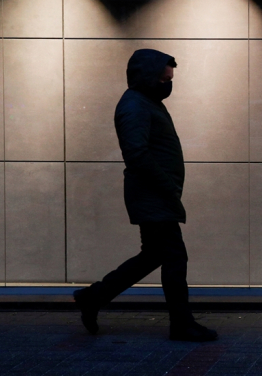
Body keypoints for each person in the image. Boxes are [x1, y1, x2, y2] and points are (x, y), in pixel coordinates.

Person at [73, 49, 217, 342]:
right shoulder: (135, 106)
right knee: (175, 256)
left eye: (170, 79)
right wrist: (167, 186)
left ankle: (93, 296)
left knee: (153, 255)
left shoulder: (146, 102)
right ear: (149, 77)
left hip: (155, 194)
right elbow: (136, 153)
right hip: (153, 195)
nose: (168, 84)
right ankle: (182, 324)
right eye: (165, 78)